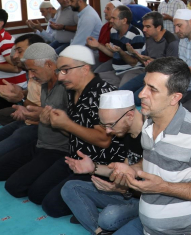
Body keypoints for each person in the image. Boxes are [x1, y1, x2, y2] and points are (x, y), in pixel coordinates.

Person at [7, 45, 124, 217]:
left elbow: (104, 140)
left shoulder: (103, 93)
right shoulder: (72, 91)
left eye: (65, 71)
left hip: (100, 164)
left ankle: (110, 200)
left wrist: (66, 124)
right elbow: (74, 133)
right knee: (35, 194)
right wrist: (55, 123)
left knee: (51, 207)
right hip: (74, 156)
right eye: (60, 71)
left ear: (85, 69)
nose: (61, 76)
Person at [112, 57, 191, 235]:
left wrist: (163, 187)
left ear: (175, 98)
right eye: (144, 85)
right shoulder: (149, 120)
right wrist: (133, 169)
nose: (141, 94)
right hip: (148, 227)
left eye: (152, 90)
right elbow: (154, 159)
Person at [60, 90, 145, 235]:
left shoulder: (152, 135)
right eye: (105, 125)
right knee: (70, 187)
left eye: (111, 125)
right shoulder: (128, 132)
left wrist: (122, 189)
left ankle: (99, 222)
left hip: (148, 201)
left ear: (130, 115)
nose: (107, 131)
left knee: (109, 216)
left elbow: (155, 188)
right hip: (129, 194)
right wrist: (93, 168)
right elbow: (124, 170)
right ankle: (100, 231)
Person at [0, 44, 69, 190]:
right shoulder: (44, 82)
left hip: (60, 149)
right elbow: (39, 111)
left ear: (49, 64)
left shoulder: (68, 86)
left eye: (32, 70)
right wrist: (21, 101)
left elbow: (72, 123)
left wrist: (39, 113)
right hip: (40, 142)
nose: (30, 76)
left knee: (15, 187)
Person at [0, 36, 46, 169]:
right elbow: (33, 95)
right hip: (25, 118)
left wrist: (20, 99)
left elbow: (43, 110)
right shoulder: (30, 70)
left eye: (19, 51)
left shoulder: (47, 73)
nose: (14, 56)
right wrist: (21, 94)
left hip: (40, 126)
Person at [90, 5, 146, 88]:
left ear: (124, 20)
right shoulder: (113, 31)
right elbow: (113, 54)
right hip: (117, 70)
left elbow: (133, 63)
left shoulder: (135, 35)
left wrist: (120, 51)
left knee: (122, 93)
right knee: (92, 80)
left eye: (114, 18)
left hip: (132, 70)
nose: (111, 20)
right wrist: (98, 45)